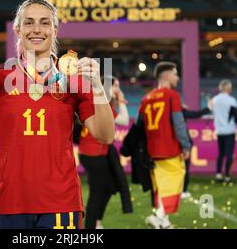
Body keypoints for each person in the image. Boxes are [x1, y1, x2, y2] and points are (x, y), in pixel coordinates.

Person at [0, 0, 115, 229]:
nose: (37, 30)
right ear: (18, 29)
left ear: (55, 29)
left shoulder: (73, 79)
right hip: (10, 202)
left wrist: (98, 86)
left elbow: (106, 135)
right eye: (29, 23)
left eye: (44, 23)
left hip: (61, 202)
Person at [138, 61, 191, 229]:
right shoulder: (172, 95)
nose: (178, 77)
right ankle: (158, 215)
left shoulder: (146, 99)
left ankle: (164, 222)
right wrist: (186, 145)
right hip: (170, 149)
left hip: (152, 150)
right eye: (175, 74)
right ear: (167, 76)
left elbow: (140, 126)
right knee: (175, 184)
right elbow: (179, 123)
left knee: (161, 185)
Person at [78, 76, 132, 229]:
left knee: (108, 187)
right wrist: (121, 100)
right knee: (97, 192)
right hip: (93, 154)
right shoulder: (100, 102)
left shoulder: (98, 99)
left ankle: (96, 222)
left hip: (93, 153)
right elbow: (124, 120)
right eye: (116, 86)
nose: (118, 90)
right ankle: (90, 227)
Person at [181, 103, 212, 199]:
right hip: (182, 142)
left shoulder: (169, 110)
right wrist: (208, 108)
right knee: (185, 167)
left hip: (173, 142)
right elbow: (196, 114)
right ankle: (183, 190)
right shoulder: (179, 110)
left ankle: (176, 190)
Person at [212, 79, 237, 183]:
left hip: (219, 130)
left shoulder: (215, 99)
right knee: (229, 154)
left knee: (220, 153)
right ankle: (227, 175)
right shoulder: (231, 100)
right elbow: (235, 116)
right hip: (229, 130)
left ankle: (218, 174)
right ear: (228, 88)